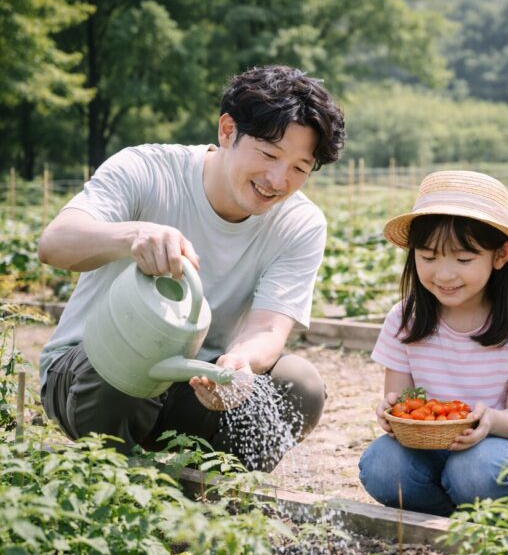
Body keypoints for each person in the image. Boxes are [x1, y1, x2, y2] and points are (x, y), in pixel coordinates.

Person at [37, 65, 346, 472]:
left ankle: (213, 488)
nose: (277, 180)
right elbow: (54, 244)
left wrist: (239, 365)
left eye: (299, 168)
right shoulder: (147, 170)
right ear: (227, 130)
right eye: (269, 154)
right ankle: (112, 477)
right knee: (133, 355)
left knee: (299, 385)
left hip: (197, 382)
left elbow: (269, 329)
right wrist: (133, 235)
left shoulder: (300, 223)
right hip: (91, 372)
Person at [358, 170, 508, 516]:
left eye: (464, 259)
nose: (444, 274)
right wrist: (391, 412)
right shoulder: (404, 318)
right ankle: (451, 520)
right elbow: (402, 401)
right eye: (428, 257)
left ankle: (498, 512)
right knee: (382, 464)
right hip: (428, 451)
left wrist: (489, 421)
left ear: (501, 255)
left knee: (473, 469)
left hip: (498, 450)